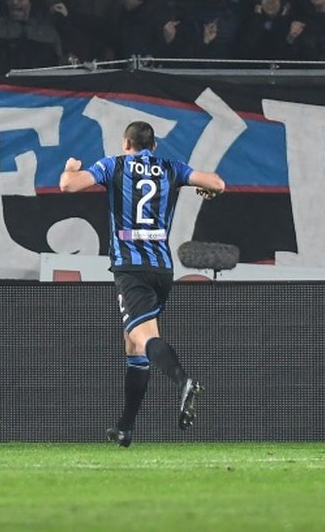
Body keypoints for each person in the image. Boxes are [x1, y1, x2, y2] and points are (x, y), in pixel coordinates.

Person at [58, 120, 224, 446]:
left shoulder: (113, 165)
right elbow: (217, 182)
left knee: (145, 338)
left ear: (126, 143)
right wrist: (207, 188)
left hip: (131, 267)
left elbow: (69, 186)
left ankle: (183, 381)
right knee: (134, 346)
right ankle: (124, 427)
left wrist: (69, 168)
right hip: (161, 269)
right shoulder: (170, 167)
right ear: (154, 145)